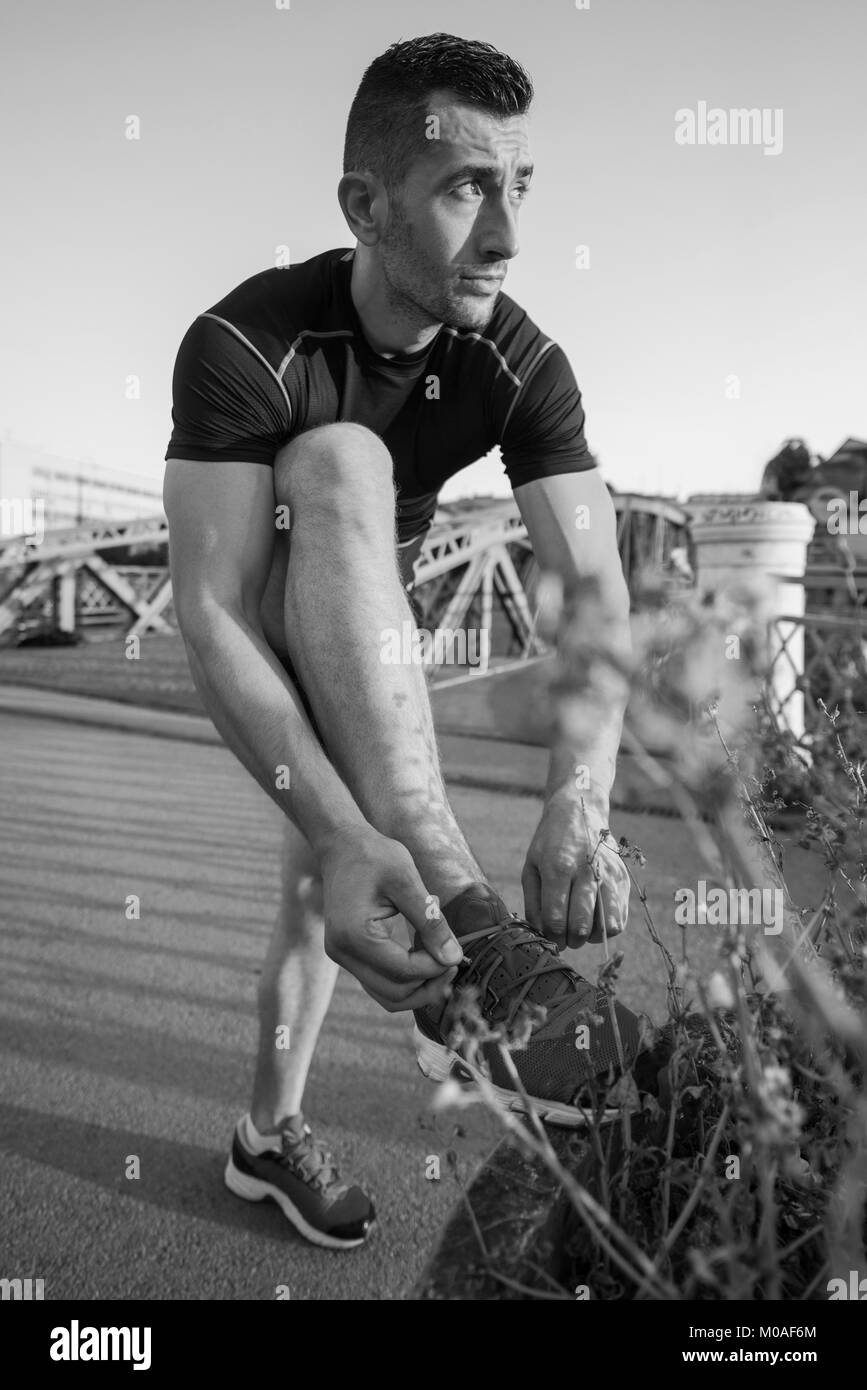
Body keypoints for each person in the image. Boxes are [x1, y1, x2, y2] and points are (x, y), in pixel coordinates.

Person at [163, 33, 638, 1252]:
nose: (508, 236)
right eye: (467, 188)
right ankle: (475, 950)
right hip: (275, 602)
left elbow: (594, 584)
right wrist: (341, 819)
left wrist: (580, 794)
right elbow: (212, 607)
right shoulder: (244, 343)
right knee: (338, 456)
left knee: (321, 903)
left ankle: (264, 1139)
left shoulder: (523, 362)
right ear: (365, 207)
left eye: (521, 188)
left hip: (375, 621)